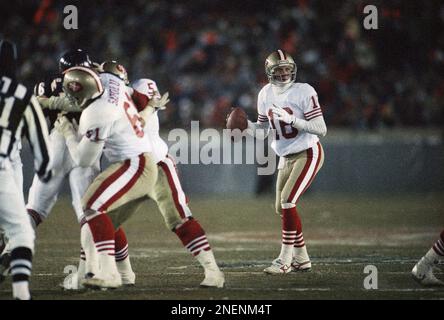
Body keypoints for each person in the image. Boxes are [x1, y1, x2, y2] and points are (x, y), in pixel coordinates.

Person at [243, 49, 327, 274]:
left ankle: (285, 260)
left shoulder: (304, 91)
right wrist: (246, 126)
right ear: (269, 72)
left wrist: (292, 119)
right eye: (278, 70)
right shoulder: (264, 94)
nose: (283, 74)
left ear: (294, 70)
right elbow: (262, 131)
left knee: (289, 201)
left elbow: (321, 129)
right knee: (281, 207)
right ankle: (302, 258)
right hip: (284, 156)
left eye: (287, 69)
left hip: (308, 152)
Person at [0, 39, 52, 299]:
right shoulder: (21, 94)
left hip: (8, 163)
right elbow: (40, 143)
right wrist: (47, 173)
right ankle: (21, 293)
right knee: (19, 231)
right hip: (5, 165)